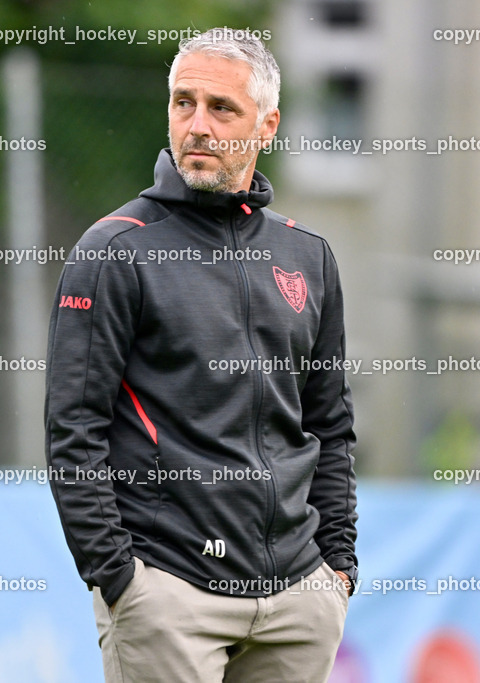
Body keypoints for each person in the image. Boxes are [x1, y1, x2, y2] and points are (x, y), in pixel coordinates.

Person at [45, 27, 358, 682]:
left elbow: (329, 424)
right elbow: (74, 430)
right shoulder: (113, 250)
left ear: (266, 124)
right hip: (170, 592)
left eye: (222, 109)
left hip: (299, 599)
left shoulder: (309, 257)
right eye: (183, 102)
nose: (197, 125)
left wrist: (337, 568)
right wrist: (121, 579)